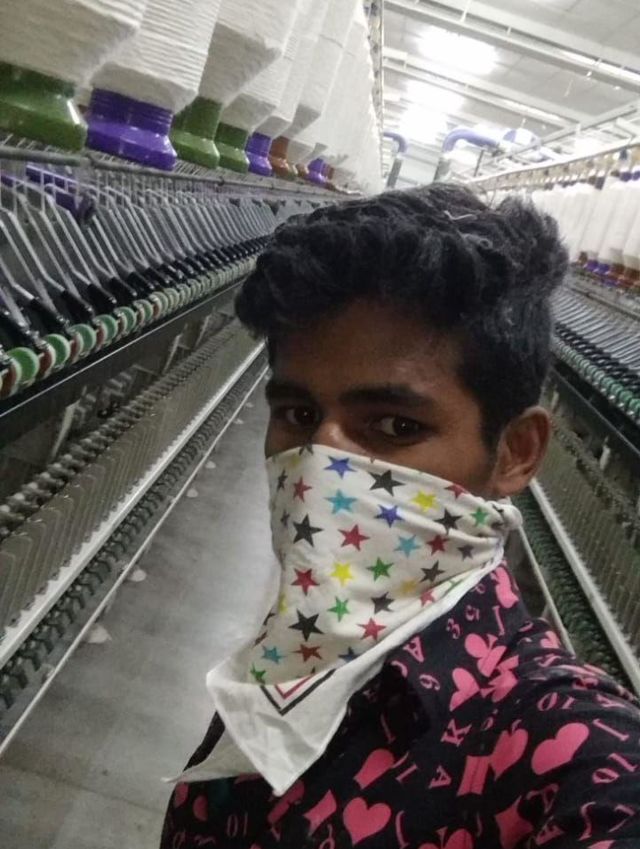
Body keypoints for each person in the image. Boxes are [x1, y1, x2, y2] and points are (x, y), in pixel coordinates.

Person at [161, 185, 640, 848]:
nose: (319, 464)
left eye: (394, 425)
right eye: (299, 414)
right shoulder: (292, 654)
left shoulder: (574, 761)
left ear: (515, 452)